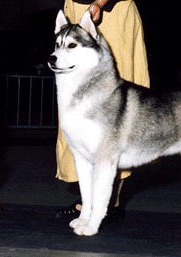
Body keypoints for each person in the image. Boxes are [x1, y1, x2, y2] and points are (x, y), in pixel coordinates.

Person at [55, 0, 150, 221]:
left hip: (109, 11)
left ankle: (108, 202)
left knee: (112, 112)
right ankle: (90, 201)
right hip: (77, 8)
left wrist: (99, 2)